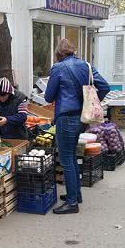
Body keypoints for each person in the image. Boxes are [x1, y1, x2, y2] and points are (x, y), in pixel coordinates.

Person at [45, 39, 110, 214]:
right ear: (73, 51)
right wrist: (90, 102)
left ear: (58, 53)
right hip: (82, 118)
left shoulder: (58, 68)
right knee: (72, 156)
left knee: (66, 160)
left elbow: (48, 97)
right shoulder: (86, 66)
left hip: (66, 117)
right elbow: (104, 86)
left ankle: (72, 203)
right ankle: (76, 194)